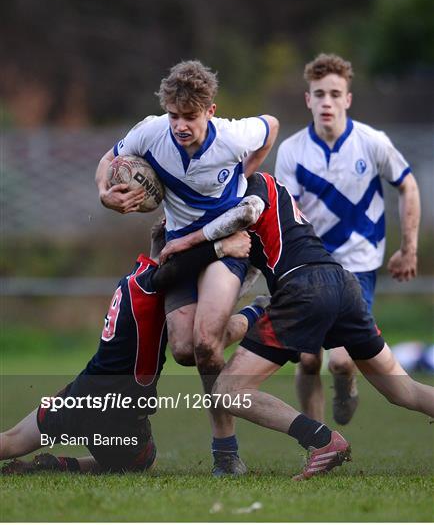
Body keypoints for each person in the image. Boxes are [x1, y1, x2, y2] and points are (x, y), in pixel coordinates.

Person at [160, 171, 433, 480]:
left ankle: (322, 440)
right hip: (342, 283)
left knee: (228, 390)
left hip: (304, 289)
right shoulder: (273, 187)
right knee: (403, 389)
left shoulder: (247, 191)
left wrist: (177, 240)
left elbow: (226, 240)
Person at [95, 60, 279, 475]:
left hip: (225, 245)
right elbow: (109, 158)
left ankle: (225, 452)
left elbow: (271, 125)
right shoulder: (151, 131)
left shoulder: (231, 136)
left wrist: (246, 177)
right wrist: (105, 194)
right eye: (174, 115)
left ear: (210, 111)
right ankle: (257, 314)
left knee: (206, 344)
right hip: (178, 250)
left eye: (190, 117)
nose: (180, 125)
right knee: (183, 350)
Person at [0, 232, 254, 474]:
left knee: (12, 440)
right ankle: (69, 465)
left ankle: (55, 466)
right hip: (116, 412)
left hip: (79, 393)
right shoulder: (155, 286)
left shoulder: (135, 275)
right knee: (142, 462)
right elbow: (203, 323)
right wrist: (223, 250)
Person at [274, 53, 421, 425]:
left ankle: (346, 385)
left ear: (348, 99)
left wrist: (409, 248)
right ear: (308, 99)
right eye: (319, 94)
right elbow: (286, 216)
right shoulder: (292, 151)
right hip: (311, 267)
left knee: (339, 360)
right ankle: (317, 441)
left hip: (358, 267)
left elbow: (408, 185)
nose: (327, 102)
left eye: (335, 94)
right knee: (308, 360)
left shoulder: (372, 142)